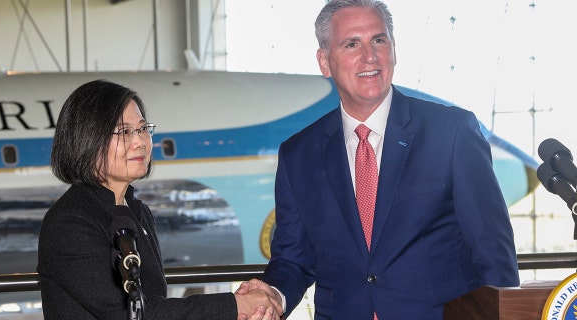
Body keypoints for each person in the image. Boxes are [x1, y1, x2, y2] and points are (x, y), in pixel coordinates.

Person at [237, 0, 520, 319]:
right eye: (352, 43)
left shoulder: (451, 132)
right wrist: (272, 295)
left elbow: (493, 251)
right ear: (325, 61)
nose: (369, 56)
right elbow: (293, 259)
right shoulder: (298, 154)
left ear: (394, 50)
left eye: (379, 40)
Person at [37, 79, 282, 320]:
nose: (140, 142)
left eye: (143, 129)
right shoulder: (69, 223)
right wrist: (233, 306)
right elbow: (128, 312)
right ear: (86, 140)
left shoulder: (138, 213)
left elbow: (155, 303)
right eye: (124, 132)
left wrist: (240, 306)